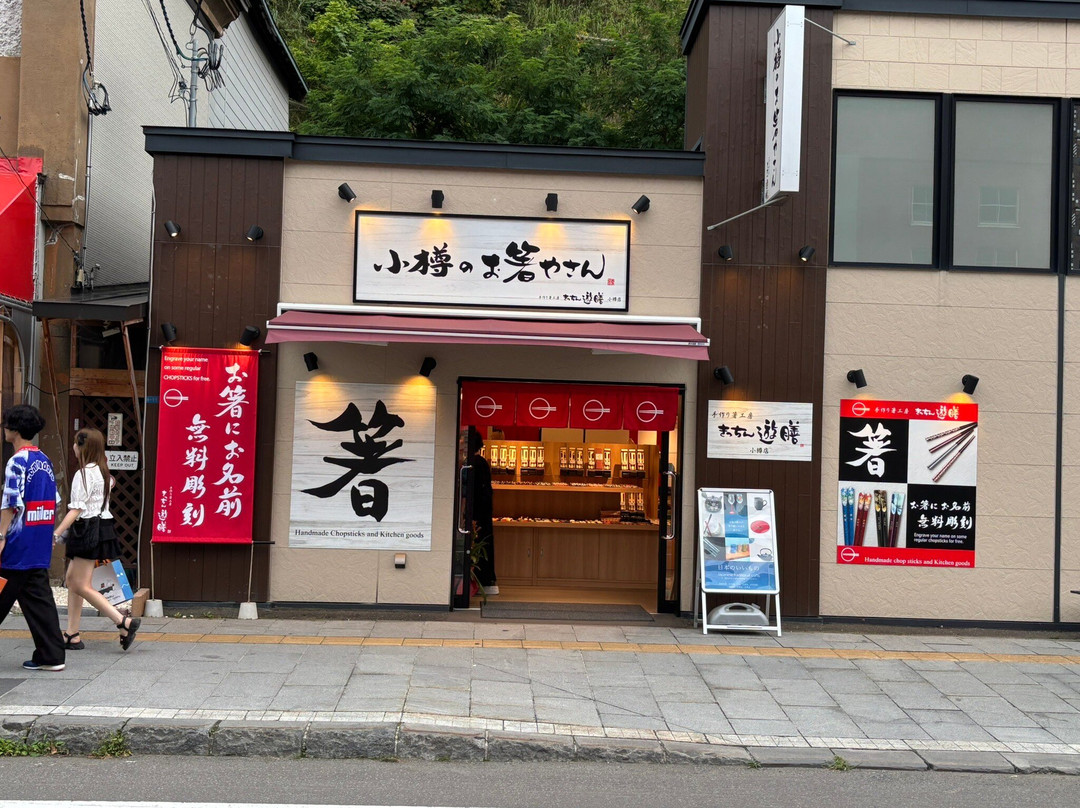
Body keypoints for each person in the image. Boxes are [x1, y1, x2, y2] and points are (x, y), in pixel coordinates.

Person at [52, 428, 139, 650]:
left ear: (82, 447)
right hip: (101, 528)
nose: (73, 446)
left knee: (79, 584)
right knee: (72, 580)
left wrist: (56, 533)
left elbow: (76, 509)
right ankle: (72, 634)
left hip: (87, 530)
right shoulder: (103, 473)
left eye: (75, 443)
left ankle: (123, 621)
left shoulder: (83, 474)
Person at [0, 405, 66, 671]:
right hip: (38, 539)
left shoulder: (17, 461)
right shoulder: (44, 460)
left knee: (3, 590)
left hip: (18, 542)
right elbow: (54, 500)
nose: (4, 429)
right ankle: (52, 655)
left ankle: (50, 655)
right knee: (39, 599)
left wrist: (1, 535)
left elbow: (10, 503)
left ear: (14, 430)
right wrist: (49, 532)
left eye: (6, 424)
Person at [469, 431, 497, 595]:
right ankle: (486, 580)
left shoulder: (474, 463)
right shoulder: (481, 462)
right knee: (485, 543)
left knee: (478, 545)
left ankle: (478, 582)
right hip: (483, 514)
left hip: (476, 515)